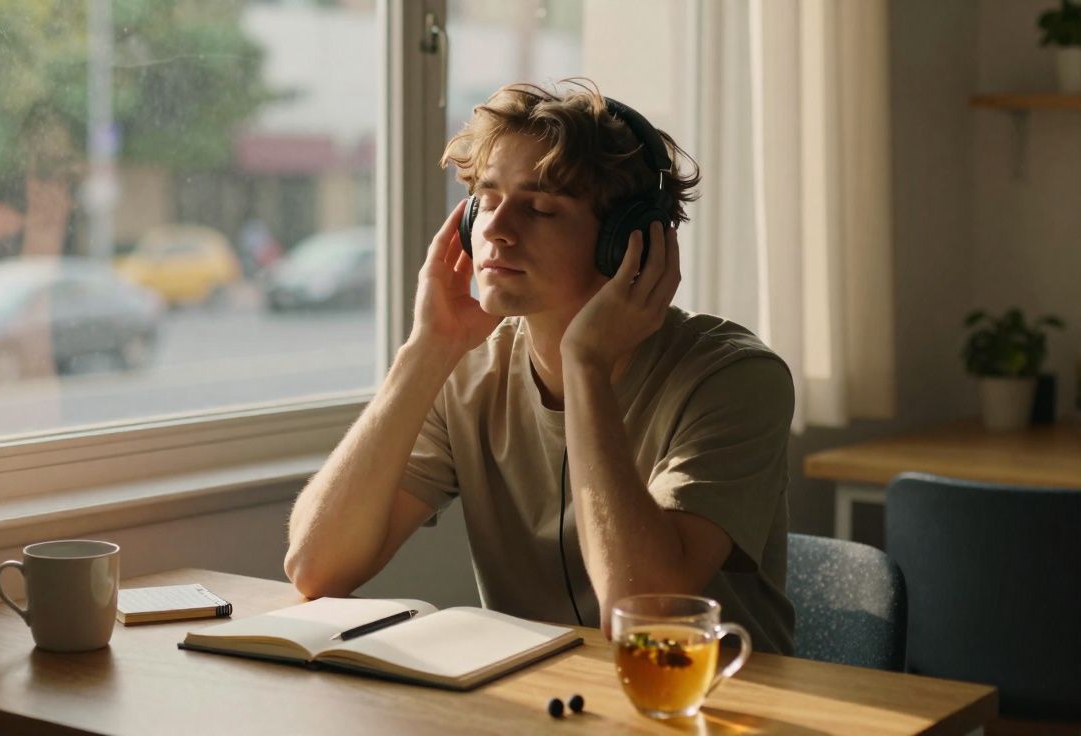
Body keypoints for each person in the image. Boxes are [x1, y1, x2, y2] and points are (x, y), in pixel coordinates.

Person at [283, 79, 795, 654]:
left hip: (710, 696)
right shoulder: (466, 371)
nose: (496, 230)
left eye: (541, 208)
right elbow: (316, 567)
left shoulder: (735, 379)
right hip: (537, 694)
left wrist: (586, 366)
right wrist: (426, 348)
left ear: (629, 241)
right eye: (488, 200)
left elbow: (642, 613)